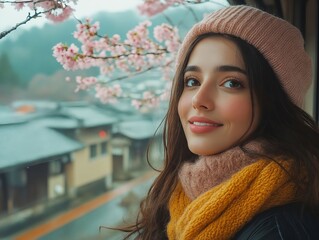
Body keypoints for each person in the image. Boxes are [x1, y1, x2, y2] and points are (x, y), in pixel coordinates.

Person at [120, 5, 319, 239]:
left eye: (231, 83)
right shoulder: (177, 197)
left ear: (274, 102)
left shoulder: (281, 229)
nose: (199, 100)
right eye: (192, 81)